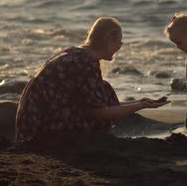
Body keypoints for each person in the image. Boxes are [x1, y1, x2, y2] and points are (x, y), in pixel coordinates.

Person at [15, 17, 169, 142]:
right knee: (105, 88)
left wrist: (140, 102)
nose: (120, 47)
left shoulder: (76, 53)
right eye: (119, 42)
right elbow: (101, 112)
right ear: (109, 39)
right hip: (41, 130)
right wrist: (140, 106)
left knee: (103, 88)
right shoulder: (86, 62)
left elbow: (94, 104)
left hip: (34, 122)